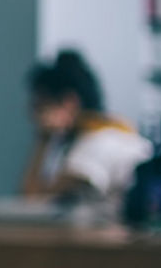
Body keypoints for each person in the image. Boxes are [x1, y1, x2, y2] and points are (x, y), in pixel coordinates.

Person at [22, 48, 153, 205]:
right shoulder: (112, 130)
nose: (33, 115)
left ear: (69, 103)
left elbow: (33, 201)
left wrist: (43, 140)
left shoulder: (95, 143)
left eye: (41, 105)